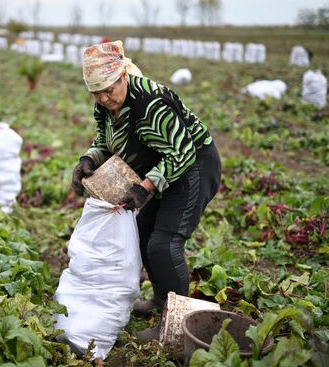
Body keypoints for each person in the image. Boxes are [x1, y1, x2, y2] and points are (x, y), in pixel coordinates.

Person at [71, 41, 222, 341]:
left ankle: (177, 325)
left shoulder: (152, 103)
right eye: (96, 93)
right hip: (162, 168)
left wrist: (145, 188)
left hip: (193, 165)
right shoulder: (105, 105)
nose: (103, 98)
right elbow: (104, 140)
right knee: (142, 233)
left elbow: (181, 152)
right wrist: (88, 160)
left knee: (164, 243)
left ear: (123, 76)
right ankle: (160, 300)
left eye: (108, 90)